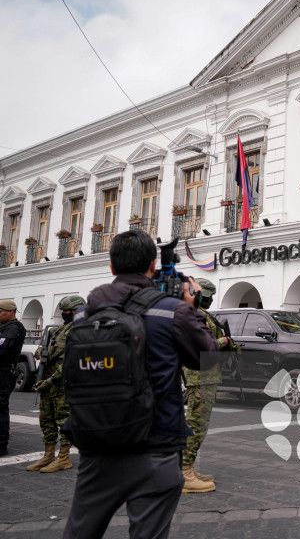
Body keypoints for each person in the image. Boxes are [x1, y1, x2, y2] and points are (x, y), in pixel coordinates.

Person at [63, 230, 217, 539]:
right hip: (155, 448)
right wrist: (191, 307)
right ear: (152, 266)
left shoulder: (83, 316)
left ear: (111, 267)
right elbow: (207, 360)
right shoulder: (171, 311)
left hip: (96, 447)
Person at [181, 278, 233, 493]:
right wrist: (226, 342)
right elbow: (204, 344)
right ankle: (184, 472)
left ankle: (188, 468)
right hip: (200, 375)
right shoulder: (196, 314)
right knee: (196, 424)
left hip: (205, 375)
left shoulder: (199, 313)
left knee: (199, 423)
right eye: (210, 295)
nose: (212, 300)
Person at [25, 295, 85, 473]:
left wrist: (51, 380)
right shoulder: (60, 329)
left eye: (69, 311)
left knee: (63, 419)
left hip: (63, 381)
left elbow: (71, 360)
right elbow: (50, 349)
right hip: (48, 382)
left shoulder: (80, 330)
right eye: (64, 311)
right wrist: (41, 351)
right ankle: (49, 454)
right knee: (46, 419)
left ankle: (64, 458)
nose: (65, 314)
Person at [0, 300, 26, 457]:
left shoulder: (14, 328)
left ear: (10, 312)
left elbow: (2, 349)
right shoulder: (4, 327)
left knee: (0, 407)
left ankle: (1, 445)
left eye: (0, 311)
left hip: (4, 373)